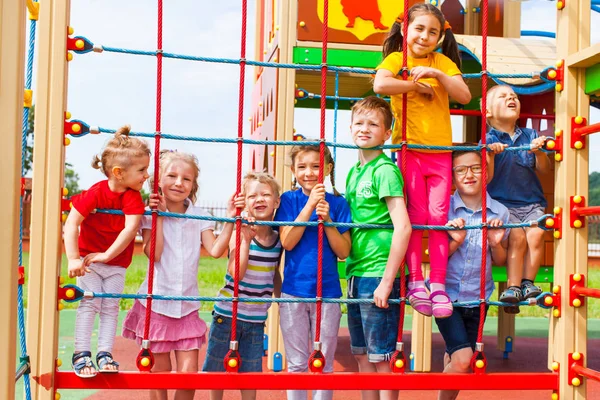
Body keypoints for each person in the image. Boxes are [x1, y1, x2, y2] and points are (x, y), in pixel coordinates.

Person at [373, 3, 472, 318]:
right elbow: (380, 85)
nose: (424, 36)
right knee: (415, 217)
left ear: (440, 37)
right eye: (419, 29)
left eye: (432, 32)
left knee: (438, 218)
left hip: (440, 153)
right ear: (405, 29)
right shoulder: (396, 59)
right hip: (410, 150)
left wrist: (435, 73)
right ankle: (416, 282)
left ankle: (438, 284)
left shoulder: (441, 62)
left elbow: (465, 95)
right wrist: (416, 86)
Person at [122, 150, 244, 400]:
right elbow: (153, 254)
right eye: (172, 176)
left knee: (188, 377)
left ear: (193, 185)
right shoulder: (149, 215)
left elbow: (216, 250)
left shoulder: (200, 217)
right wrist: (160, 217)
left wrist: (231, 218)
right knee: (160, 375)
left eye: (186, 179)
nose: (179, 182)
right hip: (155, 307)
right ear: (158, 183)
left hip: (186, 307)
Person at [64, 125, 150, 378]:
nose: (147, 175)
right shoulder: (96, 193)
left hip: (114, 264)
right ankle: (81, 354)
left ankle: (104, 353)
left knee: (111, 307)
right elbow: (72, 223)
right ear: (118, 173)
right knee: (89, 304)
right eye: (142, 170)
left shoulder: (132, 197)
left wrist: (107, 255)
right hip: (89, 261)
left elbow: (130, 228)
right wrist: (73, 258)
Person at [345, 96, 412, 400]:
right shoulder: (353, 173)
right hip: (357, 272)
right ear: (350, 128)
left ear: (387, 134)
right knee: (361, 356)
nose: (364, 128)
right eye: (359, 122)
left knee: (381, 358)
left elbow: (403, 226)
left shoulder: (384, 170)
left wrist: (387, 282)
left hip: (379, 274)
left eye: (373, 124)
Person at [274, 141, 352, 400]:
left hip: (327, 294)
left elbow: (343, 251)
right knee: (296, 364)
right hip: (294, 292)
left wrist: (327, 219)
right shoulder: (288, 200)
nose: (309, 172)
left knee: (323, 364)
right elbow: (287, 241)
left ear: (328, 168)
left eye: (316, 166)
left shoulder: (339, 204)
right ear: (294, 171)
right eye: (302, 167)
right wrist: (309, 208)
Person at [436, 148, 509, 400]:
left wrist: (496, 243)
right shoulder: (444, 210)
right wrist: (454, 241)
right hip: (447, 297)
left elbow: (499, 261)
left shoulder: (499, 212)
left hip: (478, 298)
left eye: (476, 168)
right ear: (452, 175)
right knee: (464, 360)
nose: (469, 174)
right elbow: (435, 257)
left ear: (486, 172)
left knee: (456, 360)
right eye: (461, 169)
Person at [202, 172, 282, 400]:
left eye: (266, 195)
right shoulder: (240, 232)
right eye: (252, 196)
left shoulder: (278, 239)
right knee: (216, 367)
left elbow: (273, 273)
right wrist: (245, 240)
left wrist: (281, 300)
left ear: (276, 201)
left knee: (251, 371)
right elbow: (235, 273)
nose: (259, 199)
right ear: (244, 202)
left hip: (256, 319)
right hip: (228, 314)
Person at [483, 84, 550, 314]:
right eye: (503, 96)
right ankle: (512, 287)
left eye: (514, 96)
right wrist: (490, 154)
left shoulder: (530, 136)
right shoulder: (488, 139)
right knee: (518, 236)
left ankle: (527, 283)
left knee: (537, 232)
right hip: (503, 205)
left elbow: (544, 170)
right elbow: (487, 178)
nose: (511, 98)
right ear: (488, 111)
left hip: (531, 203)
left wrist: (538, 152)